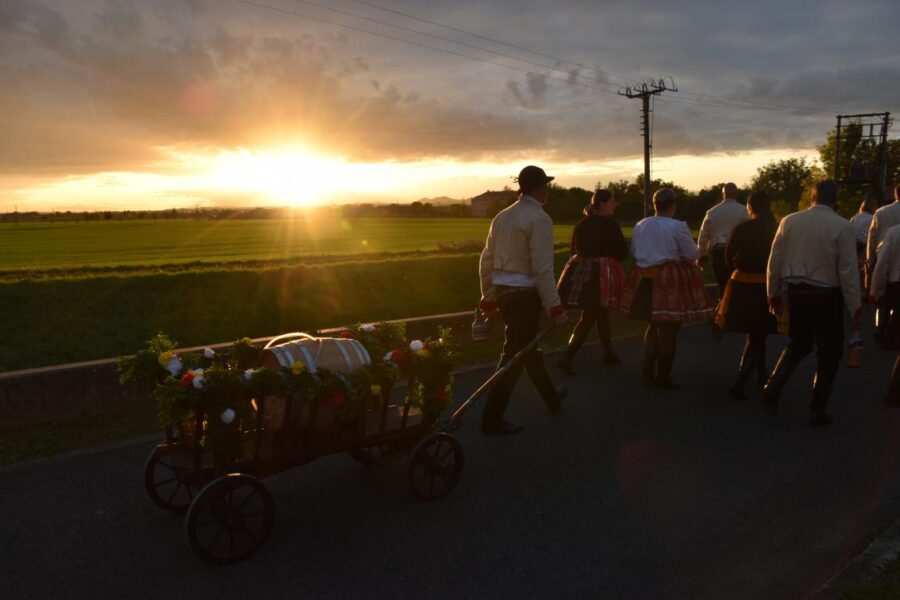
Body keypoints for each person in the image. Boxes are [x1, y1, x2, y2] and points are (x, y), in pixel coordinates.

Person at [478, 165, 568, 435]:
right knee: (515, 355)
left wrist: (489, 297)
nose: (548, 190)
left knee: (527, 350)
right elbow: (542, 268)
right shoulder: (539, 219)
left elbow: (486, 261)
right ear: (541, 189)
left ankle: (552, 398)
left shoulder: (502, 217)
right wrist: (555, 307)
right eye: (547, 186)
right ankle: (492, 418)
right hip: (525, 296)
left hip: (504, 294)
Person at [764, 179, 861, 427]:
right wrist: (855, 306)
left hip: (796, 293)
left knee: (799, 344)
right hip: (827, 296)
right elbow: (848, 271)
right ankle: (817, 409)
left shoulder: (789, 221)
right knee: (829, 353)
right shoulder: (843, 227)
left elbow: (774, 262)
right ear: (835, 199)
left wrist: (772, 293)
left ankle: (773, 385)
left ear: (812, 197)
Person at [620, 188, 715, 389]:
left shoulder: (640, 225)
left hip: (644, 279)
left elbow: (635, 252)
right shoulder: (677, 226)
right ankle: (663, 377)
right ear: (672, 206)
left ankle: (647, 371)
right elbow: (690, 255)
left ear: (655, 205)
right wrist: (703, 248)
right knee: (670, 329)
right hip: (668, 279)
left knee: (653, 325)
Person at [715, 191, 779, 400]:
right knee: (759, 331)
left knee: (756, 332)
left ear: (750, 208)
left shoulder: (742, 228)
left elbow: (728, 256)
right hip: (768, 284)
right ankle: (758, 376)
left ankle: (743, 380)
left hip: (743, 283)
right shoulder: (777, 229)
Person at [557, 189, 629, 374]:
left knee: (600, 313)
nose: (615, 205)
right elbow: (622, 253)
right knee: (590, 316)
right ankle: (567, 357)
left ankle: (608, 353)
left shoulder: (581, 224)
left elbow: (573, 249)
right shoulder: (611, 225)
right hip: (600, 276)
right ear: (603, 204)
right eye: (612, 201)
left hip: (582, 274)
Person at [697, 183, 749, 339]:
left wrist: (702, 255)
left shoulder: (712, 212)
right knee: (735, 286)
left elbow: (704, 235)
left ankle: (719, 319)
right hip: (736, 252)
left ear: (723, 194)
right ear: (736, 193)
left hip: (718, 251)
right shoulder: (743, 211)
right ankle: (729, 319)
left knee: (722, 285)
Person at [866, 184, 900, 344]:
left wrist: (870, 262)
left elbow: (871, 239)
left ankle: (881, 327)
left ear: (895, 194)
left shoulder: (881, 212)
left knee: (884, 297)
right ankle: (891, 331)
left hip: (883, 255)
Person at [870, 223, 900, 362]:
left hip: (896, 280)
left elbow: (882, 263)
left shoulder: (893, 232)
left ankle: (887, 335)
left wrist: (875, 290)